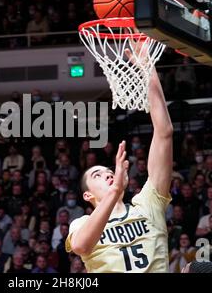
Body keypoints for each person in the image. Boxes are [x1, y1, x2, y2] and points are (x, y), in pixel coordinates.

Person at [66, 55, 174, 273]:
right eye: (97, 175)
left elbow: (164, 133)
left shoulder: (147, 204)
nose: (107, 174)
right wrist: (116, 190)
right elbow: (80, 245)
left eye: (108, 171)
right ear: (87, 196)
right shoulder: (81, 224)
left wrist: (147, 64)